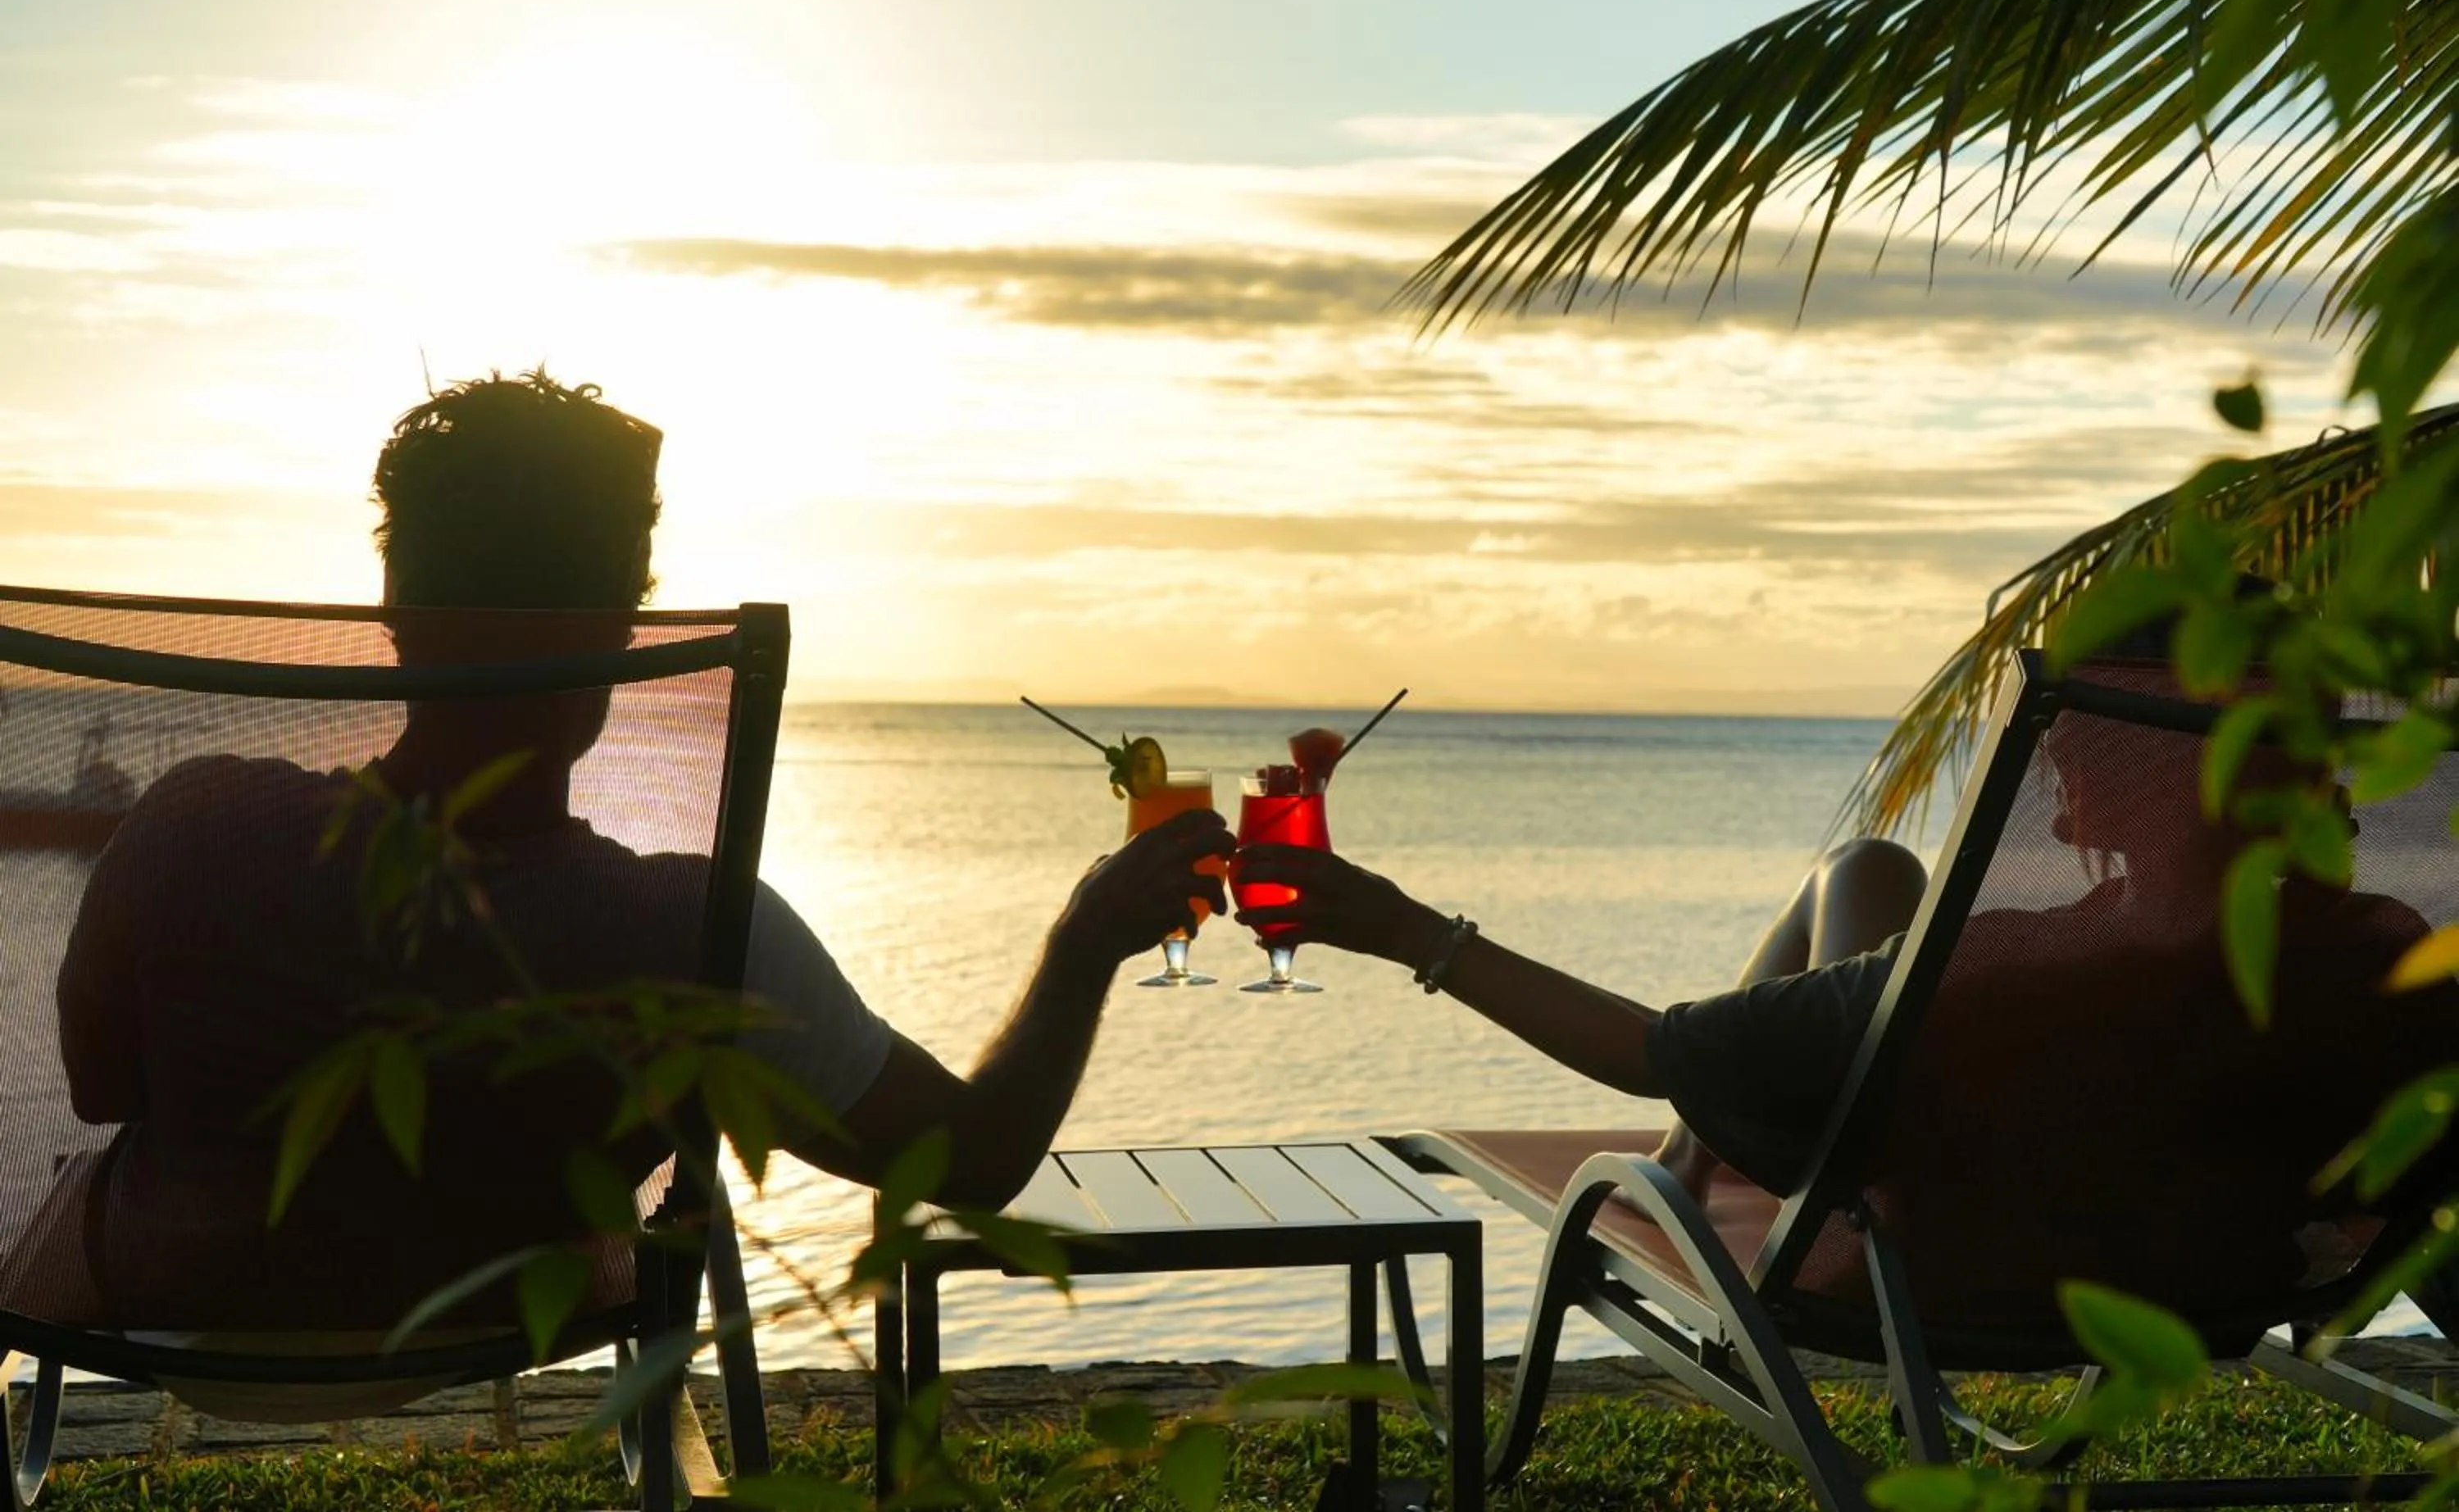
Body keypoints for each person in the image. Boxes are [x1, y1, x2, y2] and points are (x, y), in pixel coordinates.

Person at [20, 370, 1233, 1364]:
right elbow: (968, 1161)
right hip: (513, 1320)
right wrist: (1082, 942)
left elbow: (97, 1089)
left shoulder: (195, 824)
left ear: (392, 602)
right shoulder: (690, 934)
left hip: (167, 1306)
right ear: (628, 631)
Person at [1233, 625, 2459, 1311]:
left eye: (2073, 751)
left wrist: (1410, 933)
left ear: (2111, 783)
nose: (2052, 775)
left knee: (1831, 945)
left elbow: (1641, 1053)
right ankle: (1684, 1156)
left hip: (1940, 1274)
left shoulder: (2003, 974)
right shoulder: (2386, 955)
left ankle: (1679, 1169)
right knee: (1871, 873)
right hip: (2218, 1269)